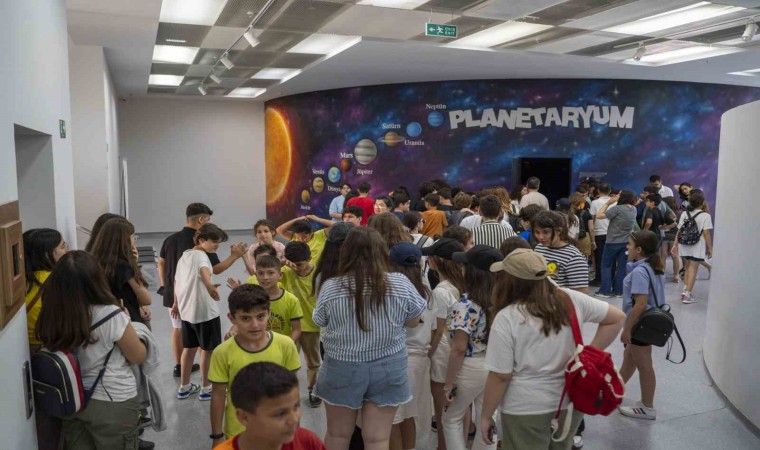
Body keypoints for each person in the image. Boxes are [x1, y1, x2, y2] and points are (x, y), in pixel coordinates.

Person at [480, 249, 625, 450]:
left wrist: (486, 415)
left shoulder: (507, 317)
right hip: (569, 401)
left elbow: (500, 376)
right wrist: (587, 353)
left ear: (510, 281)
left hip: (525, 407)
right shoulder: (571, 299)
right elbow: (617, 318)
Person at [314, 227, 426, 450]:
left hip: (341, 366)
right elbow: (414, 320)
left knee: (337, 435)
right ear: (382, 252)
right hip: (389, 366)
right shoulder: (400, 283)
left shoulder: (331, 286)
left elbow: (320, 320)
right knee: (377, 439)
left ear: (346, 252)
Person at [37, 251, 147, 449]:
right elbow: (137, 355)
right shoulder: (111, 314)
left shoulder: (52, 313)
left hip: (71, 399)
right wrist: (130, 323)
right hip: (112, 399)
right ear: (96, 280)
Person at [159, 203, 246, 378]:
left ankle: (180, 367)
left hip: (175, 295)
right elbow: (215, 269)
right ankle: (208, 376)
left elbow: (161, 263)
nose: (216, 245)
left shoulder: (170, 239)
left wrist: (165, 286)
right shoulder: (205, 243)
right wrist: (235, 256)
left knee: (179, 330)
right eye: (207, 219)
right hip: (195, 300)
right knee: (204, 342)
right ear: (201, 219)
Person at [209, 286, 301, 447]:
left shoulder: (286, 345)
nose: (255, 325)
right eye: (245, 318)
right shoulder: (222, 353)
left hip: (278, 429)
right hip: (239, 430)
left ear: (269, 313)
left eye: (260, 316)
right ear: (232, 318)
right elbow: (218, 395)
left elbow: (292, 392)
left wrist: (294, 426)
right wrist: (217, 435)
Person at [442, 245, 503, 450]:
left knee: (451, 419)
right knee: (488, 417)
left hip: (470, 366)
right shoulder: (501, 302)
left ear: (472, 272)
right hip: (494, 365)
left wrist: (448, 384)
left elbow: (459, 348)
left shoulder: (465, 306)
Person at [213, 362, 326, 450]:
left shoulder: (308, 442)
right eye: (280, 413)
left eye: (295, 407)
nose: (294, 419)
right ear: (244, 417)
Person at [174, 223, 228, 401]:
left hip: (187, 311)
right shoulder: (202, 257)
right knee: (208, 351)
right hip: (205, 313)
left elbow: (177, 282)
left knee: (189, 349)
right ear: (201, 240)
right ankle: (206, 388)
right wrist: (210, 286)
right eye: (214, 242)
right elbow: (205, 272)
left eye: (218, 242)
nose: (217, 246)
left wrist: (176, 304)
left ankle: (184, 387)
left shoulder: (185, 256)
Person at [421, 239, 467, 450]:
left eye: (430, 256)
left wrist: (428, 354)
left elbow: (438, 330)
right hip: (460, 350)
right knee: (461, 408)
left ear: (438, 261)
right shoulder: (462, 285)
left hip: (442, 353)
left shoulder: (440, 291)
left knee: (442, 410)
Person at [388, 242, 434, 450]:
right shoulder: (428, 292)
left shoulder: (391, 291)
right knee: (409, 416)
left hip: (396, 360)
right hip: (420, 361)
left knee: (393, 419)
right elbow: (435, 329)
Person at [618, 231, 665, 421]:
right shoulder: (653, 267)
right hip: (647, 324)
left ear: (639, 249)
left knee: (644, 366)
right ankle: (613, 392)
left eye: (629, 244)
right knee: (629, 359)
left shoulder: (639, 272)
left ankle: (647, 406)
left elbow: (640, 303)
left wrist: (627, 329)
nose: (627, 247)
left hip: (639, 324)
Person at [280, 241, 322, 407]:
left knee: (313, 362)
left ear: (309, 259)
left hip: (312, 326)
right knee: (288, 361)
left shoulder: (318, 274)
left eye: (299, 264)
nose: (295, 268)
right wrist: (280, 264)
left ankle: (313, 390)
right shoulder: (285, 271)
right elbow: (267, 279)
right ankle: (287, 392)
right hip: (290, 325)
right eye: (292, 264)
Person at [90, 217, 152, 325]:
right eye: (133, 237)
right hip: (128, 319)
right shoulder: (124, 266)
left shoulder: (95, 260)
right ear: (124, 241)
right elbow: (146, 299)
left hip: (107, 318)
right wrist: (134, 264)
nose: (134, 240)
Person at [24, 228, 67, 353]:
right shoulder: (58, 280)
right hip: (49, 345)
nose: (66, 250)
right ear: (47, 255)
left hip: (23, 345)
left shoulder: (19, 279)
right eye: (63, 246)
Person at [533, 211, 589, 294]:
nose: (540, 237)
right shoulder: (539, 248)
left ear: (559, 231)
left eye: (546, 232)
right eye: (537, 232)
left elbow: (581, 294)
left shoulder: (573, 257)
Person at [672, 189, 713, 304]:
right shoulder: (705, 215)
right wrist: (710, 248)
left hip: (684, 244)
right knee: (693, 269)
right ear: (702, 202)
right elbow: (706, 233)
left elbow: (679, 230)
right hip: (697, 245)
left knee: (687, 267)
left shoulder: (684, 214)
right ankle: (687, 295)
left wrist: (675, 244)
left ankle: (685, 289)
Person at [595, 190, 637, 298]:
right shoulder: (634, 209)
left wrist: (608, 203)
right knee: (622, 267)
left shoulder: (617, 209)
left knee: (606, 266)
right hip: (626, 242)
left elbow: (599, 215)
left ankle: (605, 291)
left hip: (612, 242)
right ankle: (619, 291)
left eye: (619, 195)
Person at [589, 184, 613, 286]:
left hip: (598, 233)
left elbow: (592, 218)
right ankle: (611, 278)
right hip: (611, 233)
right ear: (610, 191)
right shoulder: (615, 202)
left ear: (598, 191)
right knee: (611, 257)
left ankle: (599, 279)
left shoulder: (594, 202)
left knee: (599, 257)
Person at [661, 196, 682, 283]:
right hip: (673, 236)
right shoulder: (679, 213)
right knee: (673, 255)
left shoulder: (665, 213)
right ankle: (676, 275)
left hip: (667, 236)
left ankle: (662, 274)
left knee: (664, 255)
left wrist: (664, 227)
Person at [570, 193, 594, 259]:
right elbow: (591, 229)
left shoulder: (567, 213)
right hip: (584, 237)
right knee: (583, 259)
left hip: (570, 238)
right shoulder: (586, 213)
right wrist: (593, 241)